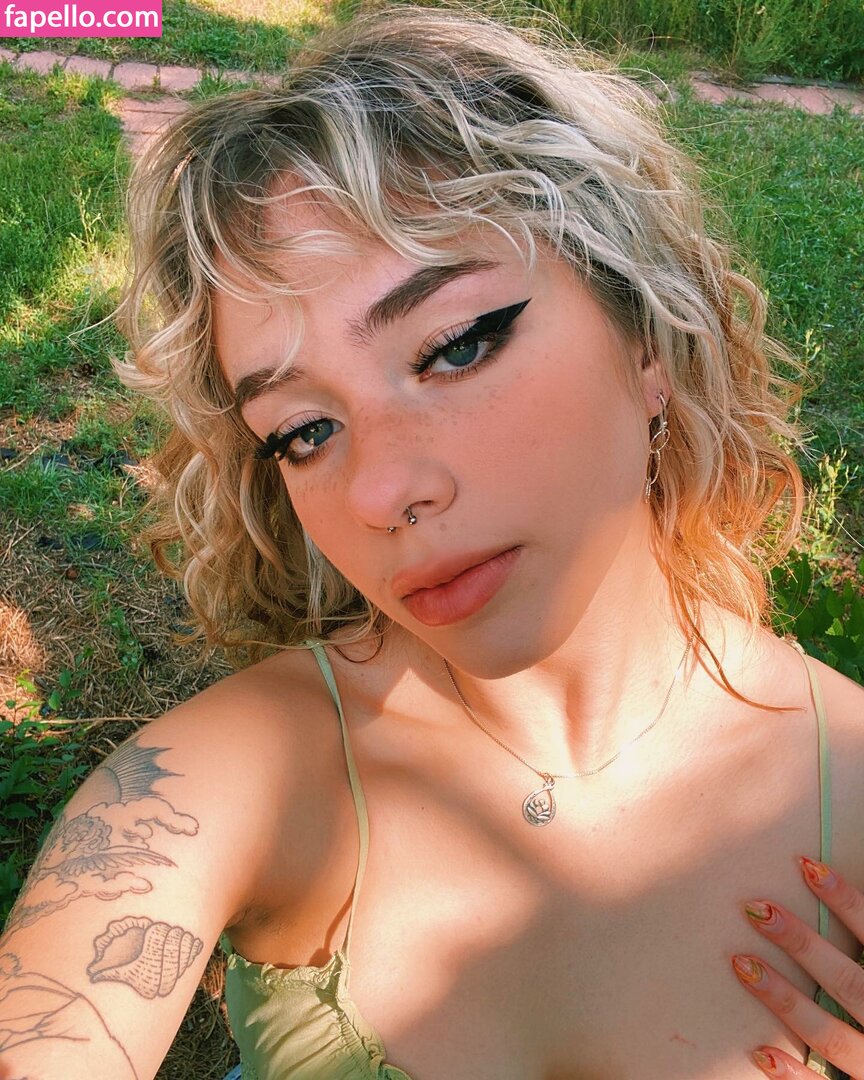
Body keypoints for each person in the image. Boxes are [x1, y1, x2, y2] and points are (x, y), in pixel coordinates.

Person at [2, 5, 863, 1078]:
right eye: (304, 431)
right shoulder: (224, 784)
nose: (381, 492)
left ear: (646, 334)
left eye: (454, 348)